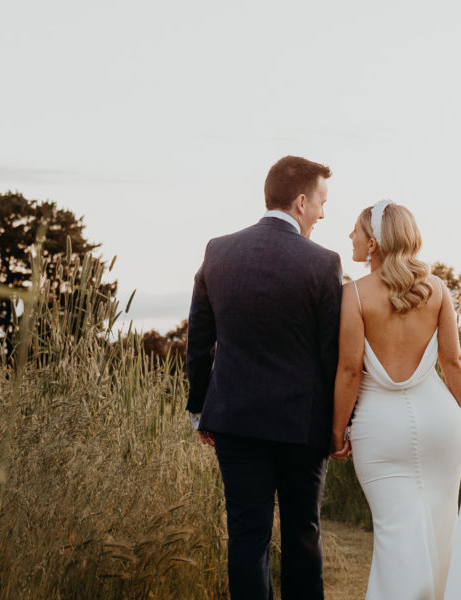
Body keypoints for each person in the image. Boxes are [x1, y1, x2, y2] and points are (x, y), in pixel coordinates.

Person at [186, 155, 341, 599]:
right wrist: (337, 424)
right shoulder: (323, 263)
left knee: (247, 537)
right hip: (301, 424)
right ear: (299, 202)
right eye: (321, 202)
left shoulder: (218, 250)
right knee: (303, 534)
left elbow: (199, 340)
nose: (323, 213)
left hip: (234, 420)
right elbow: (330, 353)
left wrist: (199, 407)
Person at [329, 200, 461, 598]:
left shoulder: (352, 295)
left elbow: (350, 371)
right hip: (440, 422)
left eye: (355, 230)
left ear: (373, 242)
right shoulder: (436, 288)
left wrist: (336, 433)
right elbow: (453, 361)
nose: (349, 237)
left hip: (380, 428)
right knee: (441, 534)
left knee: (395, 536)